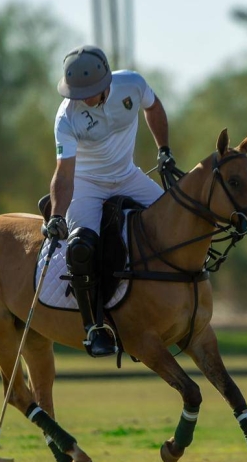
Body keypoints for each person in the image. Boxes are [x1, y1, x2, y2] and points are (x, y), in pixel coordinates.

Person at [42, 44, 176, 357]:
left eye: (91, 90)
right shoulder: (66, 118)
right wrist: (58, 216)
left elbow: (153, 108)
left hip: (129, 175)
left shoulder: (132, 83)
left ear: (106, 83)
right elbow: (64, 174)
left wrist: (164, 150)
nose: (84, 98)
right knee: (81, 247)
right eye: (78, 92)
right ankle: (94, 328)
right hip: (86, 185)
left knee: (175, 220)